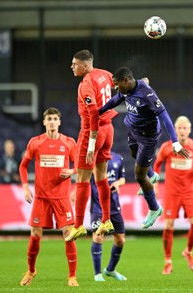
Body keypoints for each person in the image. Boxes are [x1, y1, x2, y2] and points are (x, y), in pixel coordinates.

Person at [99, 66, 190, 229]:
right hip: (133, 129)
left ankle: (154, 208)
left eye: (117, 84)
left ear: (126, 80)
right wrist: (99, 111)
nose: (116, 87)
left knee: (139, 176)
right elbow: (116, 100)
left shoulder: (147, 94)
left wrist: (175, 141)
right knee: (134, 153)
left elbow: (165, 115)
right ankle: (152, 175)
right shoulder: (126, 89)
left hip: (148, 137)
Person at [18, 107, 79, 287]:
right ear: (44, 122)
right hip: (42, 197)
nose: (52, 121)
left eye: (54, 119)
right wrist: (25, 188)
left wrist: (72, 171)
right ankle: (31, 270)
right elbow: (22, 167)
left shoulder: (69, 142)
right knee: (35, 235)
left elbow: (80, 166)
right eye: (49, 119)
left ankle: (72, 276)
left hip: (61, 197)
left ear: (59, 122)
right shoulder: (35, 143)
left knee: (69, 235)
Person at [65, 49, 119, 242]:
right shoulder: (105, 74)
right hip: (109, 130)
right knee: (101, 177)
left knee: (82, 179)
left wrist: (91, 144)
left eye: (74, 63)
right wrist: (140, 83)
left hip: (92, 132)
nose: (72, 67)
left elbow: (93, 113)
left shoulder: (86, 84)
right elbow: (120, 83)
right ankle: (106, 220)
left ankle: (78, 225)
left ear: (85, 65)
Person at [153, 116, 193, 275]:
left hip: (189, 191)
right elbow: (157, 164)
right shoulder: (167, 147)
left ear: (189, 130)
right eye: (179, 128)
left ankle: (188, 252)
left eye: (185, 128)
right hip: (172, 192)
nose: (182, 131)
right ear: (175, 130)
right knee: (168, 226)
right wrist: (155, 184)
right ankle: (168, 261)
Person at [70, 151, 128, 282]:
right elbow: (83, 178)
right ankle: (97, 274)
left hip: (114, 206)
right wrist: (75, 192)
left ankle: (110, 270)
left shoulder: (118, 157)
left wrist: (118, 184)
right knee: (98, 237)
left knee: (120, 240)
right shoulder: (92, 158)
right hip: (97, 207)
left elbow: (123, 178)